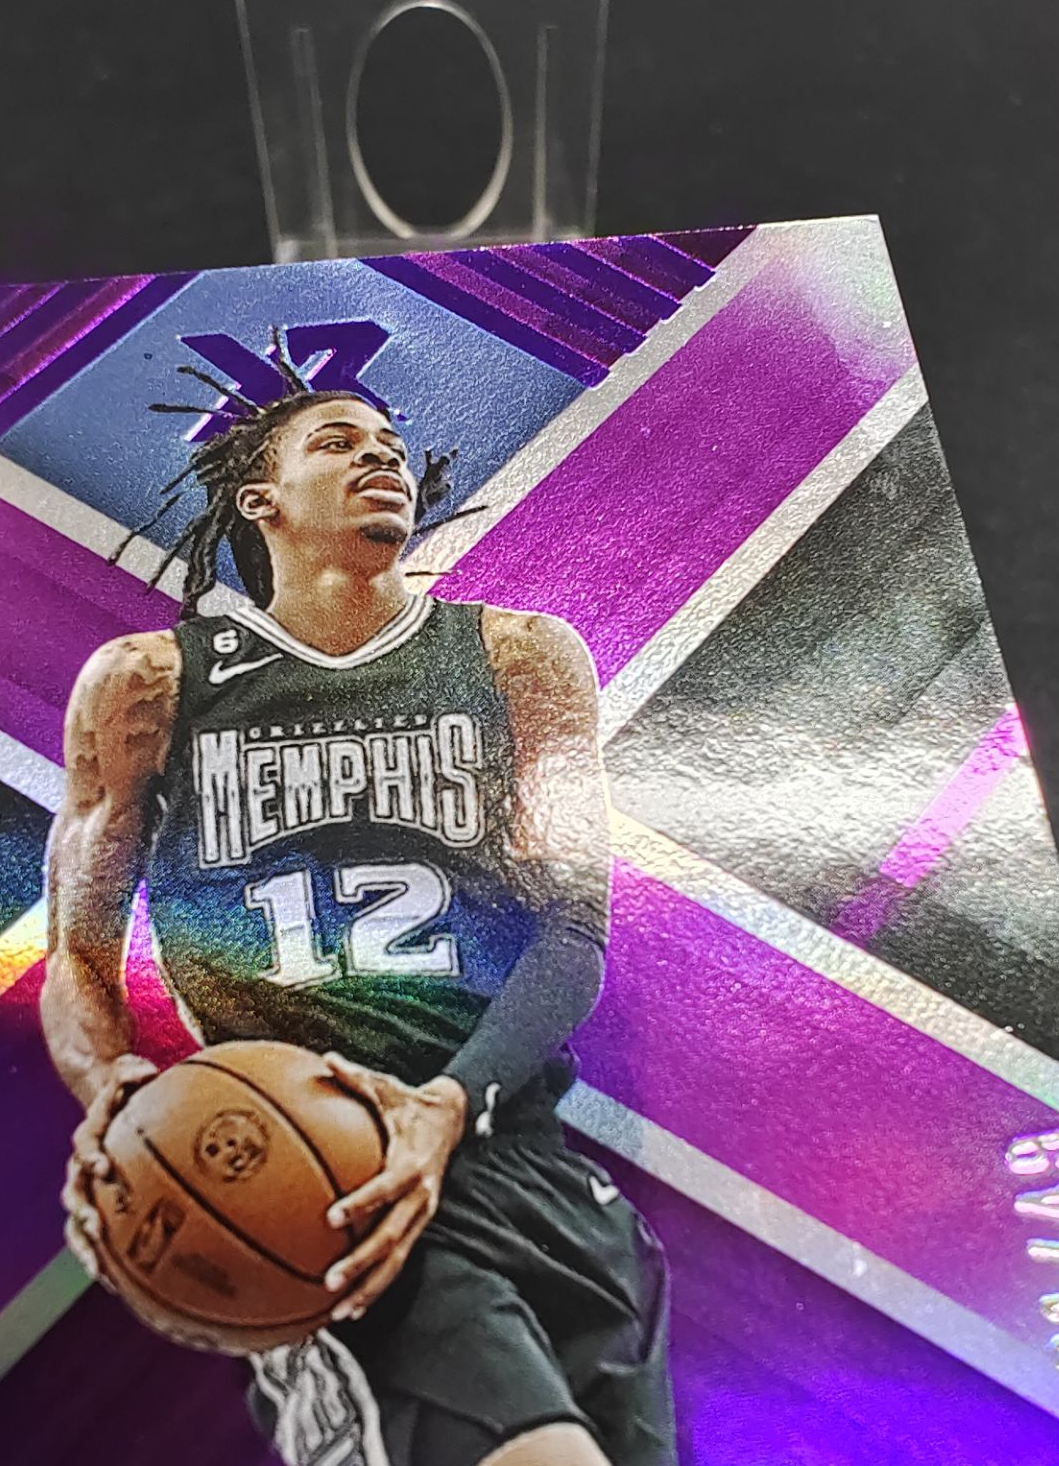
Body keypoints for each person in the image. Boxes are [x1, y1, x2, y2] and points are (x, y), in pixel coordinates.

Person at [42, 351, 676, 1466]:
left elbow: (574, 934)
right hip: (328, 1185)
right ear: (262, 499)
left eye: (390, 445)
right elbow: (78, 960)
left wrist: (451, 1101)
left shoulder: (520, 657)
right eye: (337, 442)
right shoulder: (151, 684)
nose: (379, 456)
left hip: (535, 1164)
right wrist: (112, 1094)